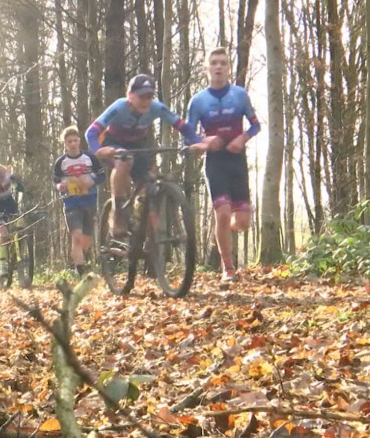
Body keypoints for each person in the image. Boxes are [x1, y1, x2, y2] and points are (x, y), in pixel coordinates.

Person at [86, 74, 193, 241]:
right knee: (125, 160)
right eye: (141, 97)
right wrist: (98, 150)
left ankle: (148, 234)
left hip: (138, 144)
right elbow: (91, 132)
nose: (146, 101)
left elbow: (182, 125)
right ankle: (118, 212)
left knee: (150, 182)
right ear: (130, 96)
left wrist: (194, 142)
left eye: (149, 97)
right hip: (113, 143)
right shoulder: (119, 106)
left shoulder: (156, 108)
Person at [186, 47, 261, 283]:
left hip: (237, 161)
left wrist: (244, 138)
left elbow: (256, 126)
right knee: (222, 212)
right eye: (214, 63)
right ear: (207, 69)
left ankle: (221, 233)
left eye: (223, 63)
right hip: (215, 162)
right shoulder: (197, 101)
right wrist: (204, 142)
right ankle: (228, 268)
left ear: (228, 68)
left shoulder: (240, 95)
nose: (218, 67)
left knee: (242, 222)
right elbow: (188, 138)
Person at [53, 126, 106, 276]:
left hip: (89, 201)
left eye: (75, 140)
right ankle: (80, 270)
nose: (73, 144)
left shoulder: (90, 158)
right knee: (76, 235)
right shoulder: (61, 162)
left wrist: (91, 181)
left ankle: (86, 262)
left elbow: (102, 175)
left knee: (86, 240)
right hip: (71, 203)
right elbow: (55, 181)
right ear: (65, 143)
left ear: (79, 141)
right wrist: (59, 186)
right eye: (69, 141)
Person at [0, 165, 25, 277]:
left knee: (21, 225)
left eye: (3, 178)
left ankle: (20, 251)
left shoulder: (9, 177)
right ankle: (3, 265)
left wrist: (16, 183)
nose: (1, 182)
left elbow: (21, 188)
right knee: (3, 234)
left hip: (10, 204)